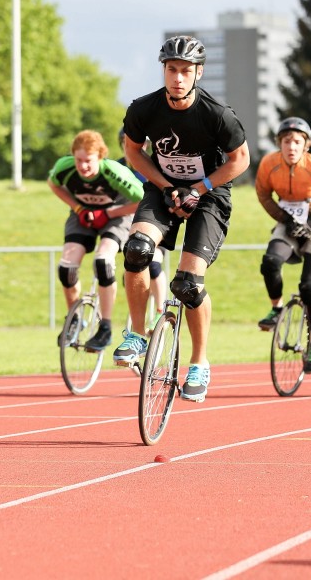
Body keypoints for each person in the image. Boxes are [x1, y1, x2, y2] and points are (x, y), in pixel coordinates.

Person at [113, 35, 250, 403]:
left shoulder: (217, 114)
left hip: (209, 196)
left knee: (188, 285)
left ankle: (199, 363)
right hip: (163, 189)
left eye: (186, 71)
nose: (177, 77)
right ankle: (136, 335)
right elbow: (132, 151)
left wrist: (199, 188)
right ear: (164, 70)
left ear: (198, 73)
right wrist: (165, 184)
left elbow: (240, 160)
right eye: (172, 69)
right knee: (137, 250)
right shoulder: (144, 109)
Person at [255, 117, 311, 373]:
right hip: (289, 221)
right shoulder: (269, 165)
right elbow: (263, 193)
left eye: (297, 142)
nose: (291, 147)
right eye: (286, 141)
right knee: (270, 261)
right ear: (279, 144)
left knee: (308, 286)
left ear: (306, 145)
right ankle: (276, 309)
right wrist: (283, 218)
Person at [48, 129, 144, 350]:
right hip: (83, 214)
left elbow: (142, 201)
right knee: (66, 267)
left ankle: (106, 327)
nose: (83, 166)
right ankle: (75, 318)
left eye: (88, 161)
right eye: (79, 160)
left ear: (100, 156)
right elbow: (53, 184)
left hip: (117, 214)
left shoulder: (115, 173)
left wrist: (108, 214)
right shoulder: (65, 168)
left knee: (103, 260)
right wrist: (77, 207)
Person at [117, 128, 168, 330]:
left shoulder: (154, 168)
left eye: (145, 144)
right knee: (130, 270)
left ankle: (159, 311)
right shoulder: (118, 168)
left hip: (153, 224)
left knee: (153, 263)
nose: (141, 147)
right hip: (128, 226)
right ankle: (137, 318)